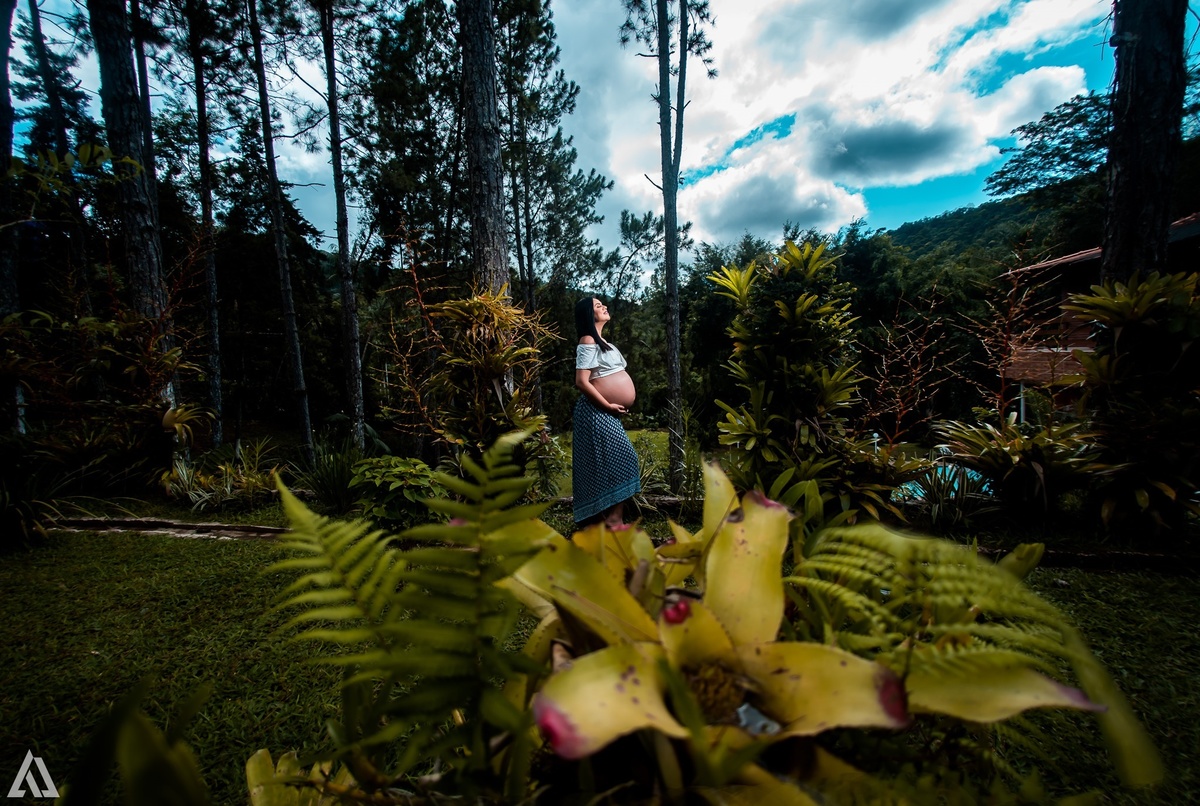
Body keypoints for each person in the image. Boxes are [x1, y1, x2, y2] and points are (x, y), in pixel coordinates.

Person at [572, 296, 640, 527]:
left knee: (614, 462)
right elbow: (582, 381)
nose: (604, 307)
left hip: (606, 413)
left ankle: (610, 519)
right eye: (598, 306)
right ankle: (611, 520)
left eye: (602, 304)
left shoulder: (604, 342)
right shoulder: (588, 340)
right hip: (595, 412)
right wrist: (607, 405)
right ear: (588, 316)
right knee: (622, 459)